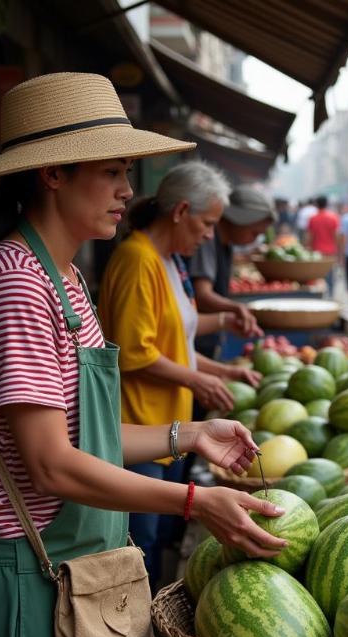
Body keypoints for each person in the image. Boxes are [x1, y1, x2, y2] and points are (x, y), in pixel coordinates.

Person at [0, 72, 288, 637]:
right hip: (19, 586)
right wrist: (195, 503)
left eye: (128, 172)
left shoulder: (62, 278)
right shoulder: (16, 284)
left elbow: (83, 436)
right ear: (52, 173)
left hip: (65, 578)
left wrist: (187, 434)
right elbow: (53, 465)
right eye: (112, 171)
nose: (130, 190)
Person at [98, 161, 262, 590]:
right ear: (181, 210)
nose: (210, 234)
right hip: (141, 428)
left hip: (173, 429)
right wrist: (197, 381)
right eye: (206, 223)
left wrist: (223, 365)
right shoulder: (138, 260)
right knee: (142, 546)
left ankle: (154, 633)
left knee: (163, 541)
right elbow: (135, 353)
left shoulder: (171, 261)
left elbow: (178, 342)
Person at [192, 186, 273, 358]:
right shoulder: (207, 239)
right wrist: (236, 308)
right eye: (254, 232)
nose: (254, 238)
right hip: (196, 339)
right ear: (238, 220)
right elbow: (202, 294)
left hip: (206, 336)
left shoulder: (225, 243)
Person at [306, 195, 340, 296]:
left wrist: (308, 248)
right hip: (330, 252)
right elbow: (336, 236)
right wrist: (338, 251)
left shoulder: (313, 218)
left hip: (317, 252)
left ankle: (320, 296)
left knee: (319, 277)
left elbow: (310, 236)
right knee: (330, 277)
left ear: (316, 204)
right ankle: (331, 296)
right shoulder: (333, 217)